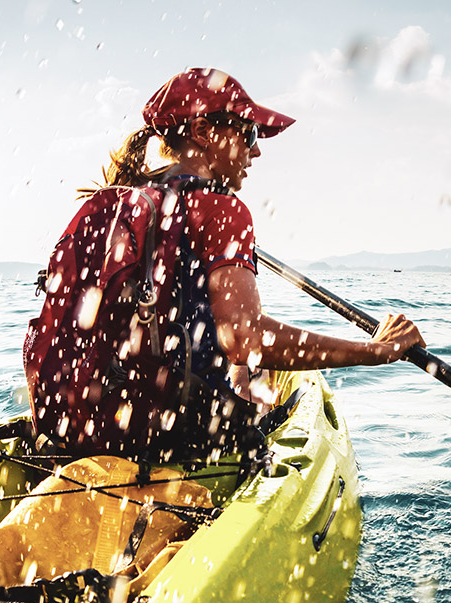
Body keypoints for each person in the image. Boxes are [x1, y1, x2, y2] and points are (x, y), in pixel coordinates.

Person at [26, 67, 423, 462]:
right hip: (174, 441)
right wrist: (375, 351)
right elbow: (245, 340)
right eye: (247, 134)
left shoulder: (126, 202)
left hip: (85, 428)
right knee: (251, 382)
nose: (256, 151)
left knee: (239, 373)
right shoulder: (222, 209)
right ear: (202, 132)